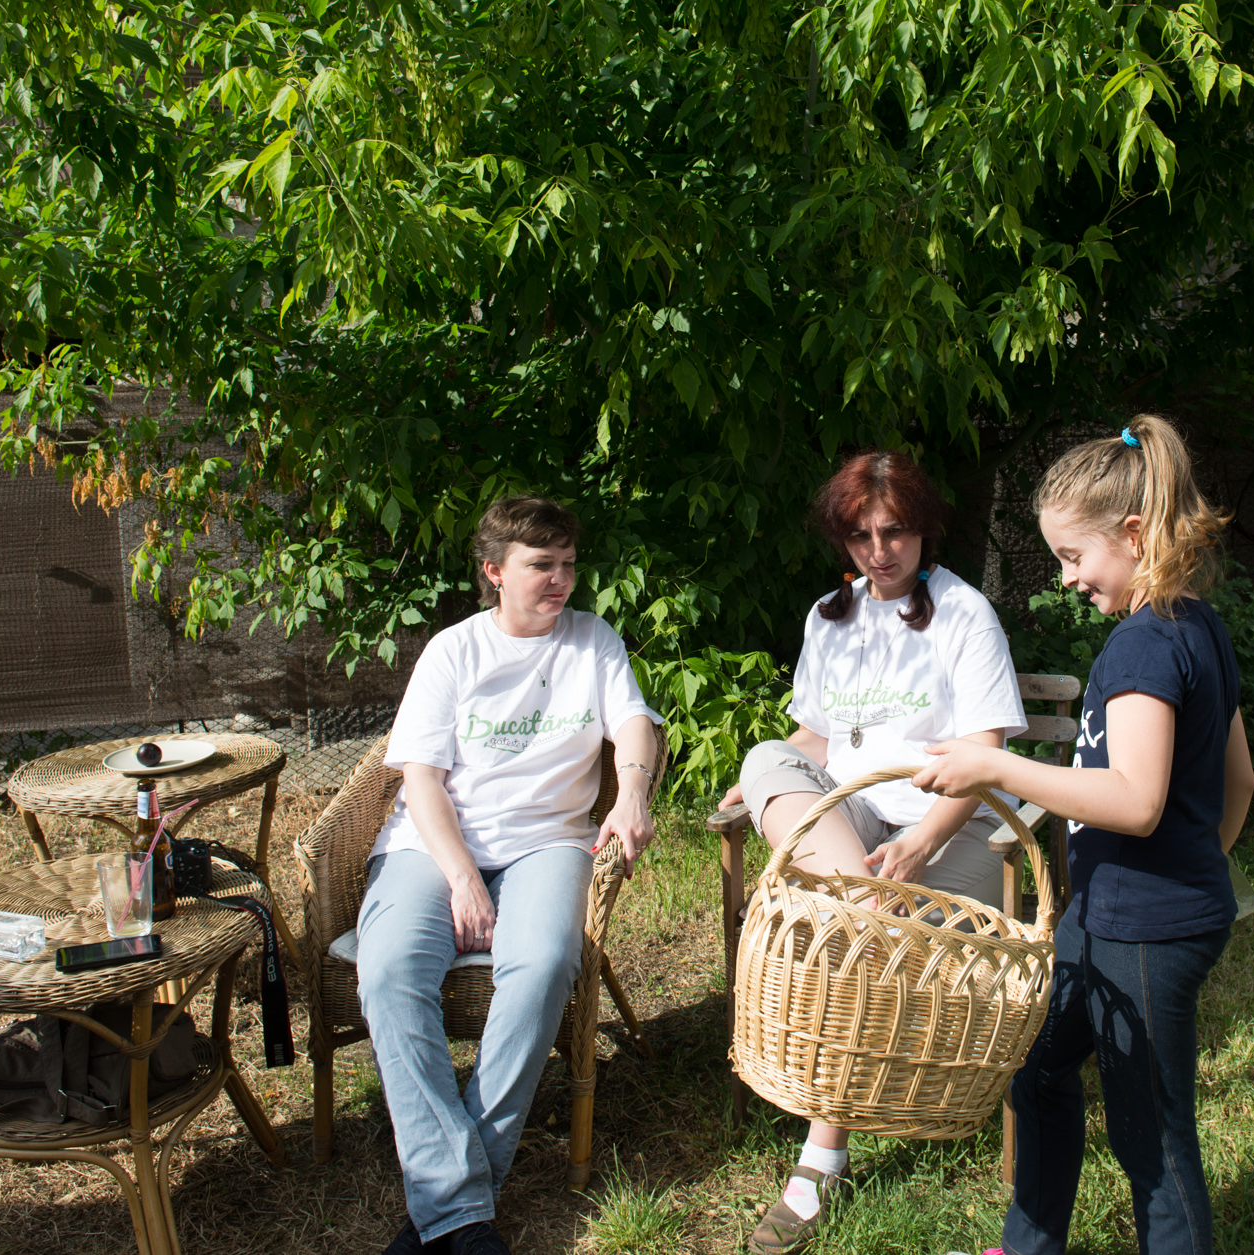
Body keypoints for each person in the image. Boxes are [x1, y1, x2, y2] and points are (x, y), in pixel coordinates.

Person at [912, 414, 1254, 1255]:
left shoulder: (1145, 644)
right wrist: (1199, 867)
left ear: (1133, 534)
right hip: (1107, 916)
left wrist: (994, 768)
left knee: (1154, 1141)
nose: (1067, 578)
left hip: (1146, 928)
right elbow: (1239, 779)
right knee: (1037, 1069)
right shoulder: (1195, 623)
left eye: (1073, 556)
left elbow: (1134, 799)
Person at [725, 450, 1028, 1255]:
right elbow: (815, 738)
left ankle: (819, 1159)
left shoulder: (965, 616)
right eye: (859, 535)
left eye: (894, 532)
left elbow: (987, 752)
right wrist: (764, 782)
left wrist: (923, 840)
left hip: (954, 829)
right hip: (851, 826)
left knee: (846, 942)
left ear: (926, 530)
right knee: (761, 758)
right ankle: (863, 902)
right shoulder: (832, 616)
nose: (878, 551)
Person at [360, 495, 663, 1255]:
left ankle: (448, 1203)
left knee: (541, 967)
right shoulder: (453, 652)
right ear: (495, 571)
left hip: (547, 842)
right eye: (541, 565)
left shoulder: (593, 642)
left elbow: (634, 725)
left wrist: (629, 793)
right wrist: (461, 876)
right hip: (435, 846)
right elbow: (421, 781)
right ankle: (463, 1207)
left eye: (567, 564)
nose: (560, 580)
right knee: (388, 969)